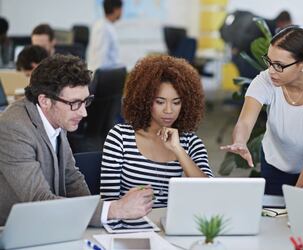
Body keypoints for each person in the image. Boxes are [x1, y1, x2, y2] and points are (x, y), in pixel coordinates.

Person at [0, 54, 153, 227]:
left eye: (85, 101)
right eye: (74, 103)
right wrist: (114, 210)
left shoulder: (57, 116)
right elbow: (39, 200)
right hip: (14, 230)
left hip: (51, 224)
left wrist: (96, 214)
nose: (83, 113)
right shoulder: (13, 129)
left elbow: (71, 178)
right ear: (45, 101)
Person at [221, 26, 303, 196]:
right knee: (273, 215)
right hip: (277, 161)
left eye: (279, 65)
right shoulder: (266, 80)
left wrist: (296, 194)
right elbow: (245, 121)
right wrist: (240, 141)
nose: (271, 70)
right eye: (269, 61)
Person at [100, 55, 214, 207]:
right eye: (160, 102)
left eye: (176, 102)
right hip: (130, 225)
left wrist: (178, 150)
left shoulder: (190, 142)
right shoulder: (120, 137)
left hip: (171, 226)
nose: (169, 110)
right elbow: (108, 203)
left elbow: (210, 192)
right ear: (144, 100)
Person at [87, 0, 123, 71]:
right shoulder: (103, 28)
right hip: (102, 76)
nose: (122, 12)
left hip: (108, 73)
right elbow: (99, 58)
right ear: (116, 10)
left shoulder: (108, 26)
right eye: (121, 9)